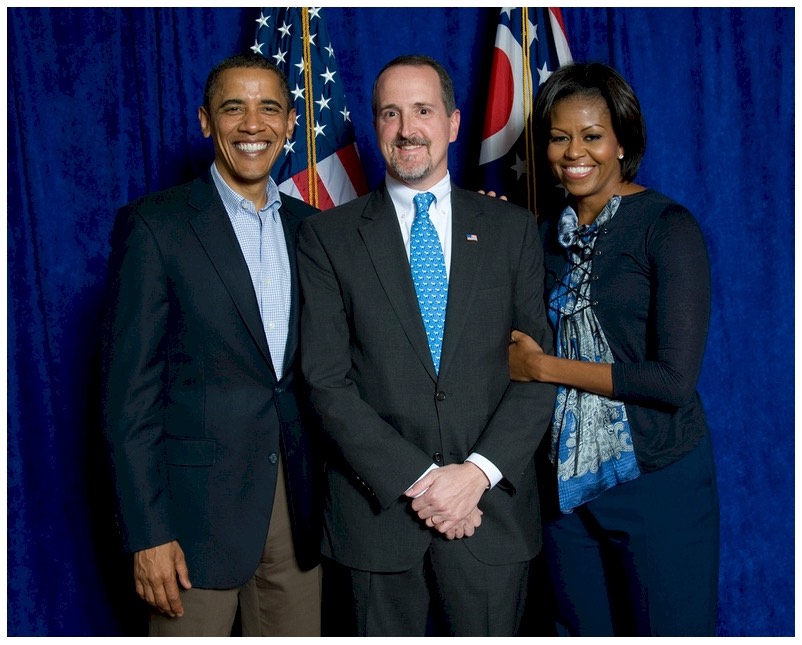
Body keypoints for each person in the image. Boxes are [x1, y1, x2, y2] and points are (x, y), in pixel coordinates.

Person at [295, 54, 556, 637]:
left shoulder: (512, 231)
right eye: (390, 113)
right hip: (377, 524)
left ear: (454, 122)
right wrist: (421, 481)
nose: (407, 129)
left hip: (490, 516)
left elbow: (539, 371)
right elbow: (326, 382)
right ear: (374, 125)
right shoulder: (327, 237)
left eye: (422, 111)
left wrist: (475, 476)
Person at [99, 52, 322, 637]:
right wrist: (148, 534)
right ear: (205, 121)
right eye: (233, 108)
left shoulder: (315, 229)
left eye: (268, 107)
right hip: (191, 519)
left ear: (292, 122)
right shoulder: (155, 226)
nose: (253, 125)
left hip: (298, 514)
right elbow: (128, 398)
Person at [508, 61, 719, 636]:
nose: (574, 152)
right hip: (565, 497)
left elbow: (673, 382)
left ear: (623, 143)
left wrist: (542, 368)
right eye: (558, 137)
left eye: (592, 136)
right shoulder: (540, 236)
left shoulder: (667, 227)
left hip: (658, 483)